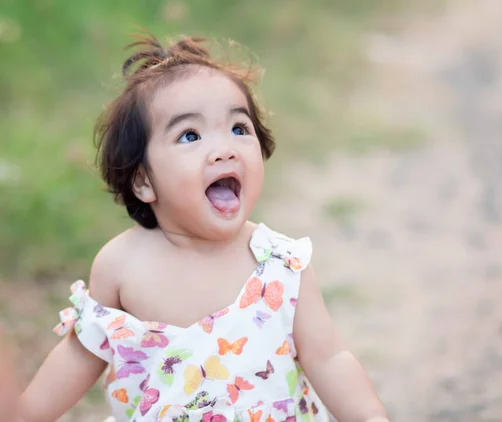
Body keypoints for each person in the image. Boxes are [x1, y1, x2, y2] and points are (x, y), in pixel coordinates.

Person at [18, 33, 389, 422]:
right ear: (143, 180)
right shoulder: (122, 265)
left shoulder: (280, 264)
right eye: (190, 135)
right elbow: (80, 354)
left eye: (239, 128)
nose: (226, 148)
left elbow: (327, 357)